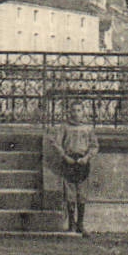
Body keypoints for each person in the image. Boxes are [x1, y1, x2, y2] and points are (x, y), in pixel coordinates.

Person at [52, 100, 99, 234]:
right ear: (69, 112)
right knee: (70, 193)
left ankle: (80, 224)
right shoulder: (64, 128)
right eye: (73, 110)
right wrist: (64, 156)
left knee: (82, 193)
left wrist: (87, 157)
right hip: (69, 162)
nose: (76, 113)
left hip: (82, 162)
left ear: (83, 112)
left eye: (79, 110)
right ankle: (71, 223)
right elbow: (56, 144)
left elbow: (94, 146)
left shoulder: (88, 129)